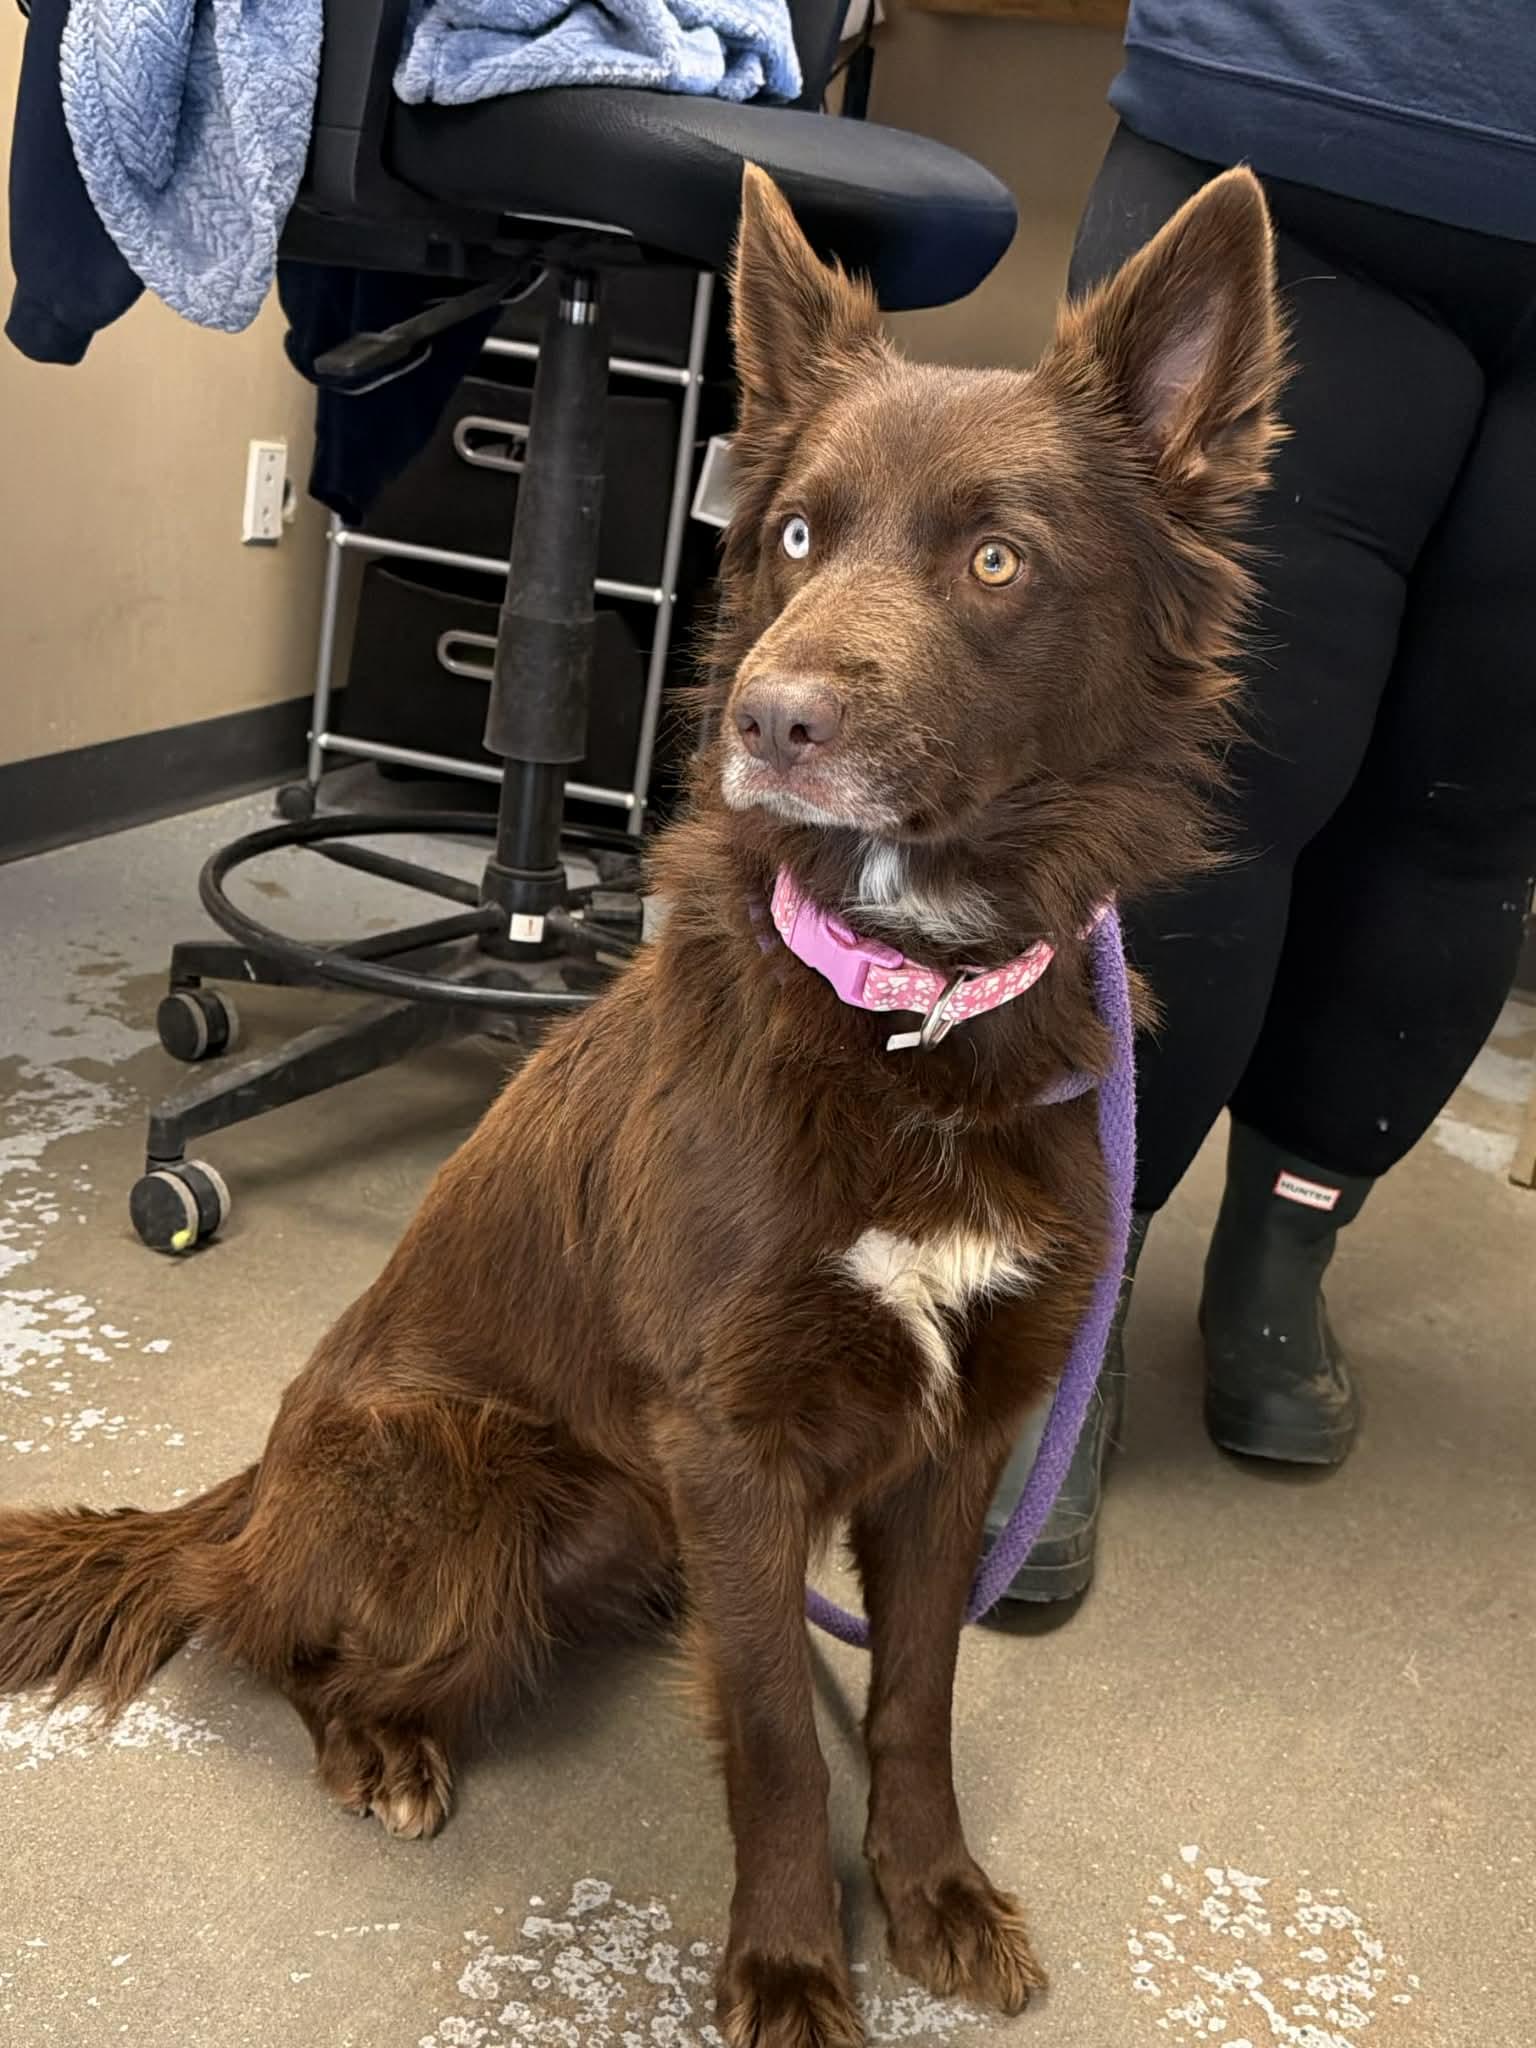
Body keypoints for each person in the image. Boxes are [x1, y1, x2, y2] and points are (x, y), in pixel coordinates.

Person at [988, 0, 1536, 1602]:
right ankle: (1064, 1304)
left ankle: (1286, 1249)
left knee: (1474, 799)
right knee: (1203, 783)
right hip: (1302, 120)